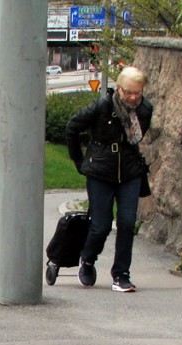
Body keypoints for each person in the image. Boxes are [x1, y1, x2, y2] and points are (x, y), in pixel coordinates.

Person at [64, 66, 153, 293]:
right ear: (120, 89)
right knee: (101, 225)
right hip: (101, 171)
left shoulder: (145, 109)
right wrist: (79, 161)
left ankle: (121, 274)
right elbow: (72, 127)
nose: (133, 97)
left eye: (137, 92)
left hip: (130, 172)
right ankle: (88, 259)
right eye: (128, 92)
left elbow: (137, 139)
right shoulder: (103, 106)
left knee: (126, 223)